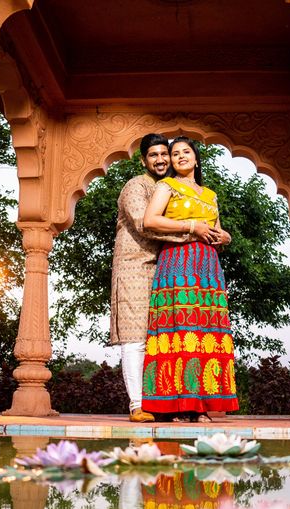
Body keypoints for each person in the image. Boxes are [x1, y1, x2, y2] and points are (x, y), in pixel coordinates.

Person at [111, 134, 218, 422]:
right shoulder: (136, 186)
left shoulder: (172, 187)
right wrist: (194, 229)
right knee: (135, 339)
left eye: (164, 154)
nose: (161, 159)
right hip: (135, 267)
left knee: (164, 338)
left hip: (166, 267)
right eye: (154, 155)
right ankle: (137, 405)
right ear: (144, 159)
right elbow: (145, 225)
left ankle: (165, 404)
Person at [140, 137, 239, 422]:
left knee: (204, 333)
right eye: (174, 153)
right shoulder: (166, 186)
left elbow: (217, 230)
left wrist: (225, 236)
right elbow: (150, 221)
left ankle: (201, 405)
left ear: (196, 159)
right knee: (181, 330)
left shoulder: (210, 194)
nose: (180, 156)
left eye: (186, 152)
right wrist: (191, 226)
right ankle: (177, 406)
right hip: (178, 262)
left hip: (207, 266)